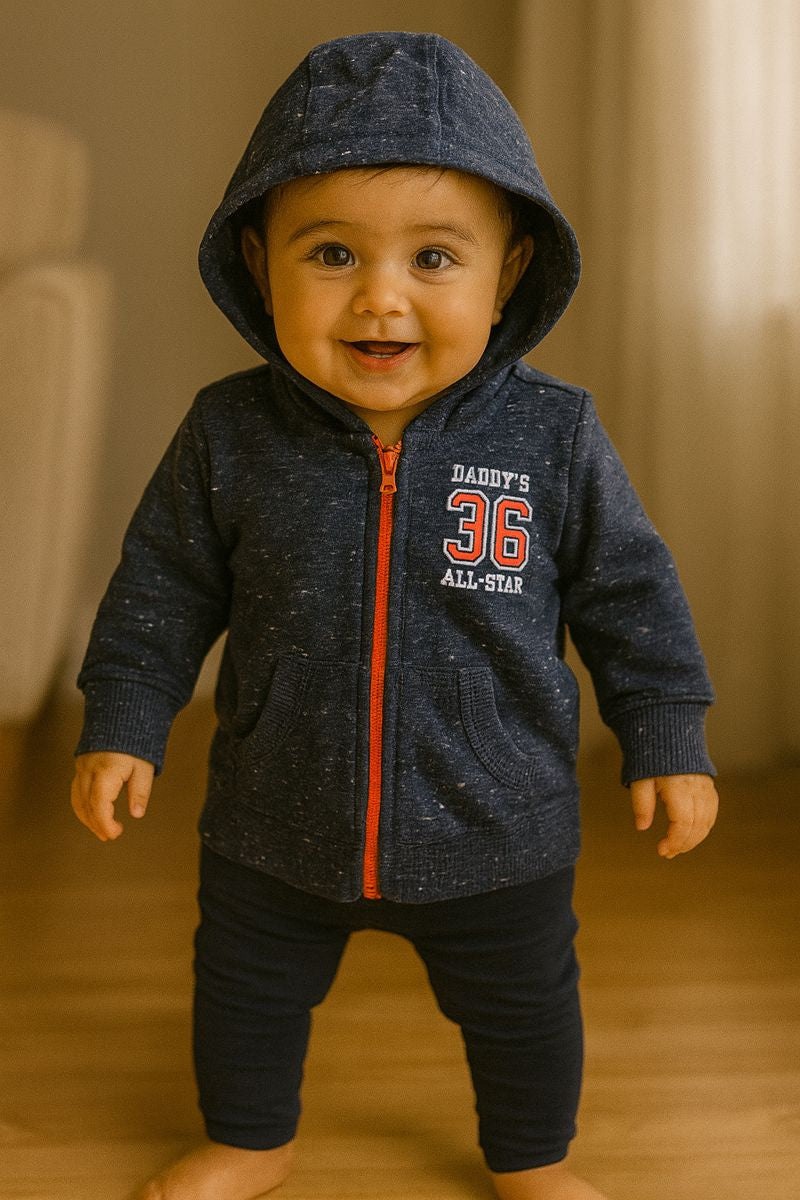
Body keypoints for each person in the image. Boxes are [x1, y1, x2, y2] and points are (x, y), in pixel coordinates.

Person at [70, 31, 719, 1200]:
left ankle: (531, 1160)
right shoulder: (229, 435)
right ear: (257, 263)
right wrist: (124, 720)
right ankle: (251, 1140)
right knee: (245, 990)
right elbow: (161, 588)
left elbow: (628, 594)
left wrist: (666, 734)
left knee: (523, 1006)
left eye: (432, 257)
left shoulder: (552, 436)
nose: (380, 297)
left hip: (498, 821)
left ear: (506, 270)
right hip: (275, 815)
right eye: (330, 253)